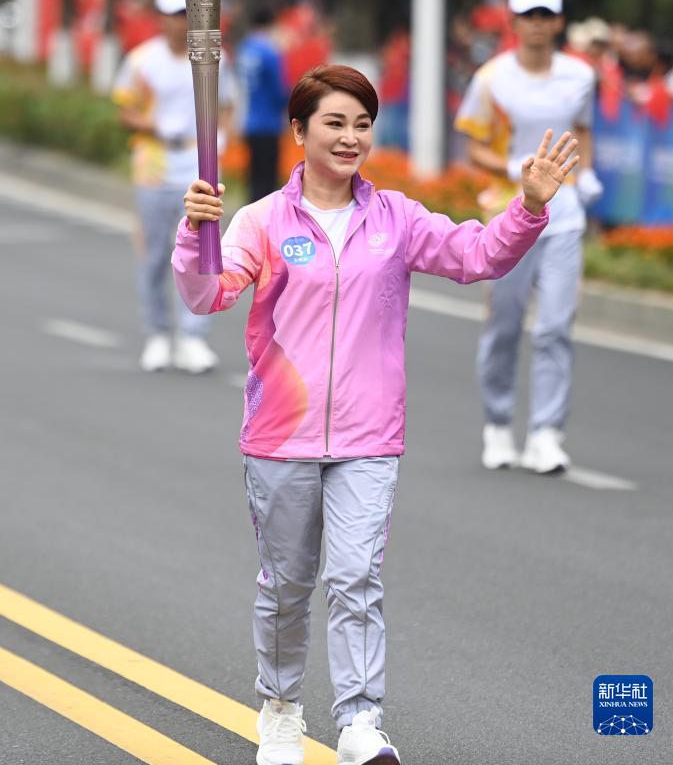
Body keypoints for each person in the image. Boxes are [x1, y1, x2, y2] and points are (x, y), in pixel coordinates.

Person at [172, 63, 578, 765]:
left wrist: (528, 207)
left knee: (356, 579)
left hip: (368, 437)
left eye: (362, 124)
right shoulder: (261, 221)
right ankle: (280, 710)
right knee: (287, 586)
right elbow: (208, 295)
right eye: (334, 122)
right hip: (281, 436)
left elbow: (477, 256)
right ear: (299, 131)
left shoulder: (396, 218)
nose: (350, 137)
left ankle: (360, 721)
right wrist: (194, 234)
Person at [455, 0, 602, 474]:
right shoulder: (491, 79)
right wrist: (515, 170)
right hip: (508, 215)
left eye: (545, 15)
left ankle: (546, 433)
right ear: (513, 22)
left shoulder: (580, 76)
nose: (537, 24)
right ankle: (498, 424)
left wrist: (586, 174)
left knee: (555, 327)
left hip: (565, 216)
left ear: (559, 22)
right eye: (528, 16)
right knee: (504, 325)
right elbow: (473, 145)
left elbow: (582, 130)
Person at [112, 0, 236, 373]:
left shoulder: (212, 56)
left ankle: (193, 337)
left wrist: (222, 140)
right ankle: (158, 335)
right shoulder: (141, 61)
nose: (181, 21)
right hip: (154, 167)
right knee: (154, 255)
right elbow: (124, 111)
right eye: (174, 14)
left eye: (187, 14)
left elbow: (228, 104)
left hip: (200, 169)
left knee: (204, 254)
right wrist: (156, 126)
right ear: (160, 17)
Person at [236, 8, 290, 202]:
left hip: (248, 120)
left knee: (253, 175)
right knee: (268, 179)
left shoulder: (244, 48)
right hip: (268, 122)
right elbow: (279, 91)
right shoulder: (270, 52)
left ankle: (250, 213)